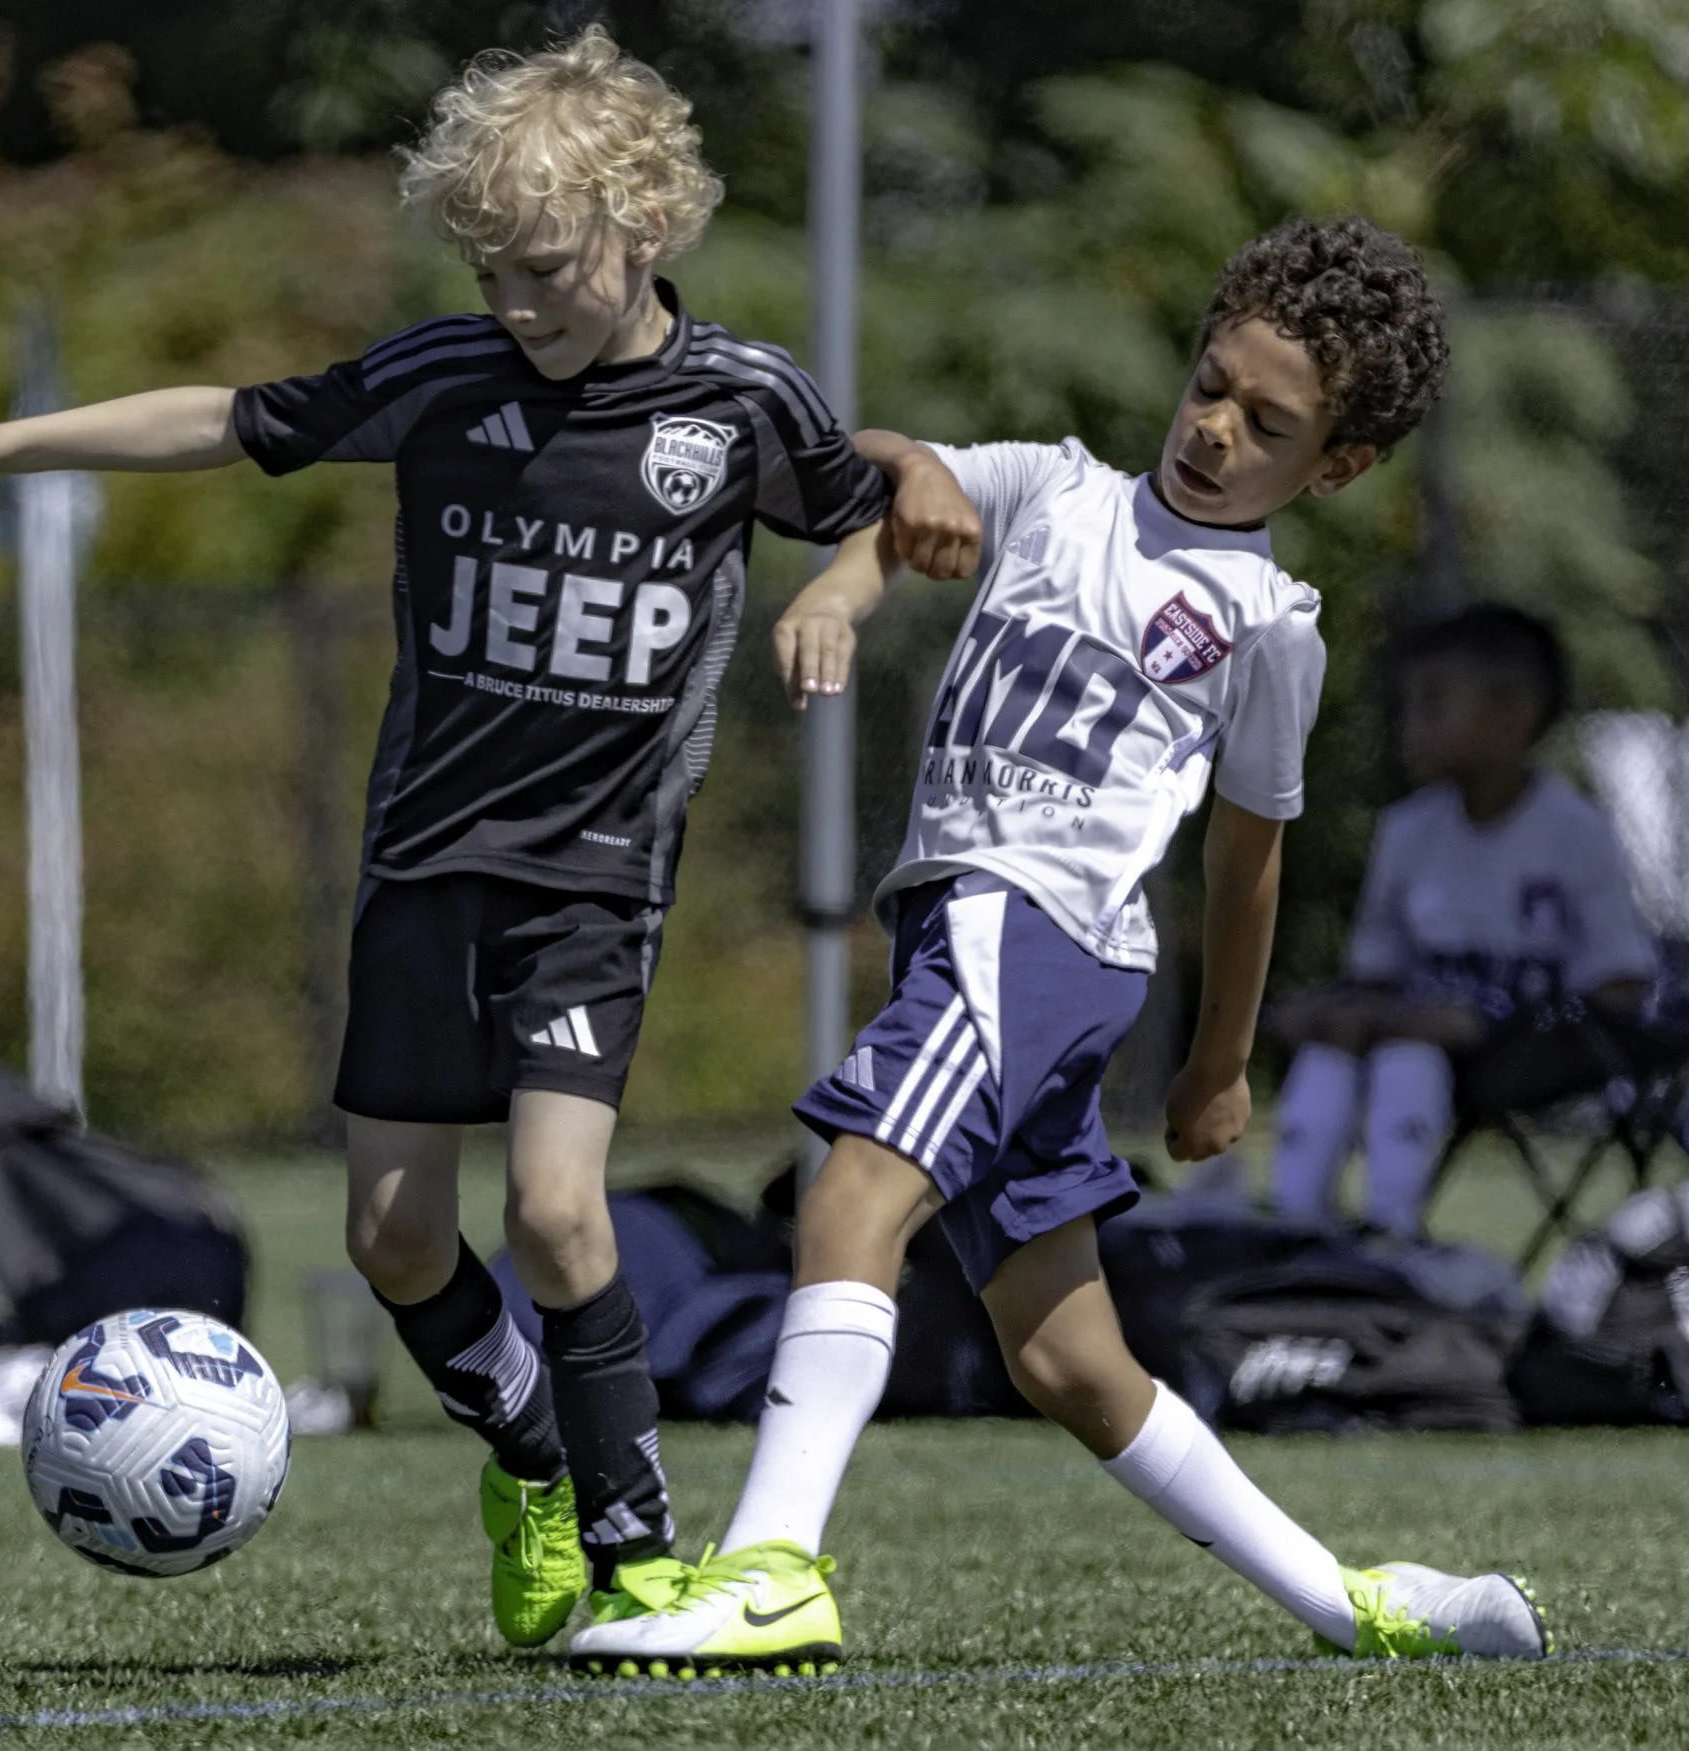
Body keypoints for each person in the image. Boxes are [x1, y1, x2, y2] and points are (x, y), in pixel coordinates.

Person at [0, 28, 895, 1649]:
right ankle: (529, 1460)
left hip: (594, 881)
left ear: (645, 227)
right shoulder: (443, 378)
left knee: (557, 1212)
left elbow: (872, 509)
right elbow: (227, 421)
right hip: (424, 864)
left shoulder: (741, 399)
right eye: (490, 273)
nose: (517, 304)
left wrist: (838, 586)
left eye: (545, 269)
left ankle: (639, 1556)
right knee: (393, 1237)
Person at [571, 216, 1552, 1676]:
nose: (1215, 429)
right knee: (1065, 1355)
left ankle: (770, 1568)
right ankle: (1355, 1602)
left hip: (1030, 933)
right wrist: (855, 565)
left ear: (1336, 468)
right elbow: (883, 463)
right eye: (1210, 385)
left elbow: (1246, 862)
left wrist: (1219, 1065)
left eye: (1268, 425)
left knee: (850, 1196)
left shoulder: (1270, 624)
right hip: (970, 935)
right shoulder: (1056, 486)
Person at [1270, 604, 1656, 1239]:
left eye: (1434, 705)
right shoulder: (1407, 831)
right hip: (1422, 1038)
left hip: (1534, 1056)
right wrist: (1328, 1009)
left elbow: (1621, 986)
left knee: (1409, 1051)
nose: (1411, 728)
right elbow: (1377, 974)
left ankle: (1391, 1231)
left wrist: (1496, 1024)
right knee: (1339, 1044)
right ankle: (1297, 1228)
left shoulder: (1577, 834)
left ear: (1512, 718)